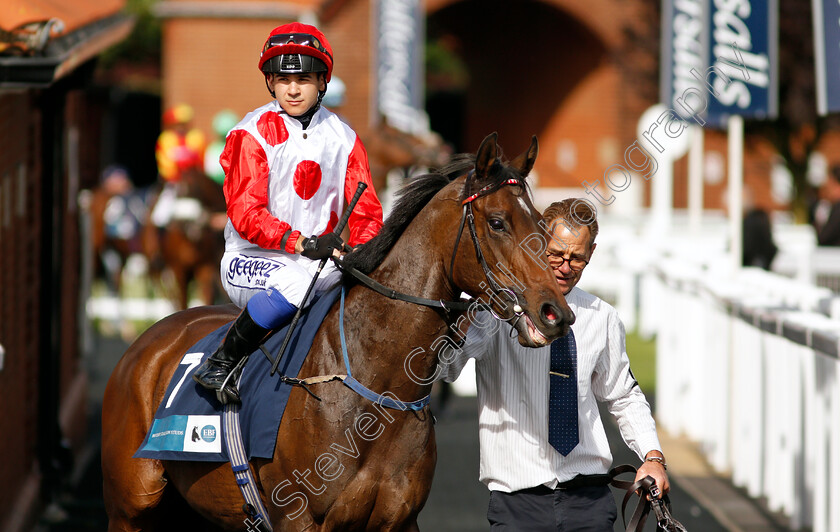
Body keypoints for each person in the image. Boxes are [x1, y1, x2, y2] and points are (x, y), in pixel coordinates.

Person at [441, 198, 669, 531]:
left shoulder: (602, 317)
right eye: (556, 254)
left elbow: (623, 396)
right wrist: (470, 310)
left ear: (590, 253)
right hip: (517, 502)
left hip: (590, 498)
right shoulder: (495, 310)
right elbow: (446, 369)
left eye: (576, 257)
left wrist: (653, 457)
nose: (565, 266)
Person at [192, 22, 384, 404]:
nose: (293, 89)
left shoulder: (344, 137)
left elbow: (365, 213)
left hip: (320, 262)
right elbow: (246, 212)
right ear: (271, 82)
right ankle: (221, 361)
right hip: (251, 259)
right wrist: (302, 242)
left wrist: (363, 251)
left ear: (321, 82)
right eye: (283, 79)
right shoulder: (250, 134)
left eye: (304, 79)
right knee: (297, 285)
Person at [813, 165, 840, 246]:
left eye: (829, 183)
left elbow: (823, 238)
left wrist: (817, 226)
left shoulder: (838, 208)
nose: (827, 186)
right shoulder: (833, 206)